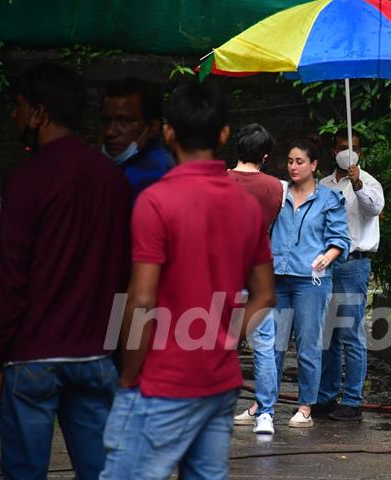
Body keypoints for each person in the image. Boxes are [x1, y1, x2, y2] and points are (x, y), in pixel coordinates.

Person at [100, 82, 276, 480]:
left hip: (162, 381)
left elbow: (141, 301)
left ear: (168, 132)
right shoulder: (246, 208)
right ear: (225, 134)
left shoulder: (156, 202)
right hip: (219, 381)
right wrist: (222, 339)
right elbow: (264, 295)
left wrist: (128, 377)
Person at [0, 63, 131, 479]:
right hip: (94, 356)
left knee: (24, 472)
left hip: (32, 359)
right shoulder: (112, 179)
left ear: (39, 113)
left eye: (18, 107)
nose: (14, 117)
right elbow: (123, 270)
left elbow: (10, 278)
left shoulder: (26, 179)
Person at [271, 137, 350, 428]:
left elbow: (340, 239)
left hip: (311, 282)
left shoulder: (329, 198)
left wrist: (327, 257)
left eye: (300, 161)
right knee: (272, 345)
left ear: (314, 165)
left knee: (308, 346)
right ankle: (264, 404)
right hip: (278, 277)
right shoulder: (278, 194)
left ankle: (305, 406)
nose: (293, 167)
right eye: (290, 161)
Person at [315, 131, 384, 421]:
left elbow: (374, 208)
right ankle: (327, 396)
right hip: (327, 263)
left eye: (354, 148)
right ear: (334, 150)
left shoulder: (369, 183)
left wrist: (356, 183)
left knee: (351, 332)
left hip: (354, 264)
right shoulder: (323, 184)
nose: (348, 152)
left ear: (361, 152)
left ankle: (353, 399)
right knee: (328, 334)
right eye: (344, 148)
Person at [227, 123, 283, 435]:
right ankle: (265, 414)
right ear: (264, 156)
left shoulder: (219, 181)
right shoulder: (275, 187)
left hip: (223, 273)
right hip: (260, 273)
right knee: (264, 347)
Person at [101, 77, 174, 200]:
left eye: (124, 121)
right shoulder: (118, 168)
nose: (110, 131)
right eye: (106, 121)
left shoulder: (153, 175)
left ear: (153, 127)